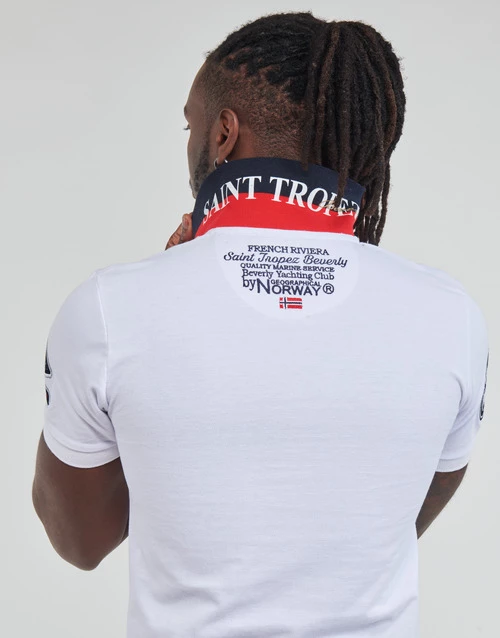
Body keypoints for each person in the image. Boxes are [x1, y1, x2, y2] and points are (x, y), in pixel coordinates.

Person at [32, 12, 489, 638]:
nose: (190, 143)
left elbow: (80, 541)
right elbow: (391, 524)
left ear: (224, 134)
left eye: (192, 125)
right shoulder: (450, 315)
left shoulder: (110, 308)